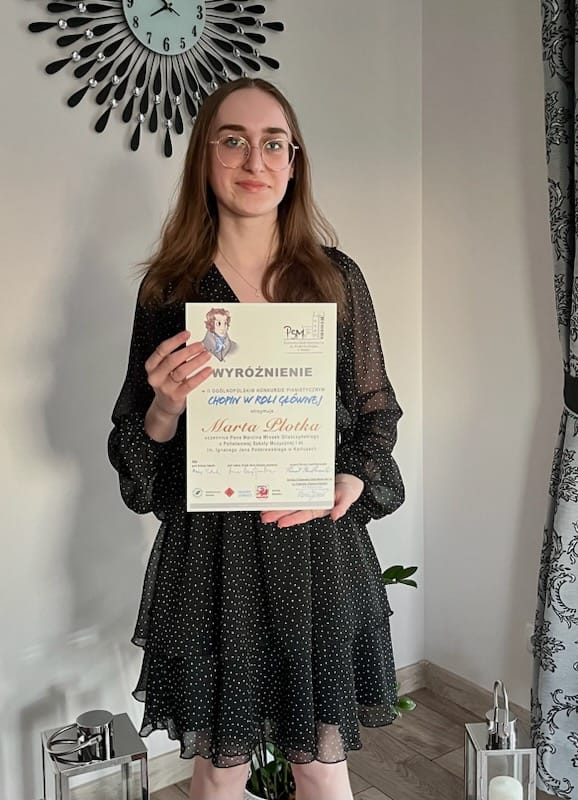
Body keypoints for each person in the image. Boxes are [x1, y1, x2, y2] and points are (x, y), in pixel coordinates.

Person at [108, 77, 405, 800]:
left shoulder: (335, 279)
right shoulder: (169, 291)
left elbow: (377, 414)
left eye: (274, 143)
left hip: (315, 545)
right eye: (233, 141)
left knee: (322, 768)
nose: (255, 161)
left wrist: (350, 478)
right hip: (213, 558)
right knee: (220, 772)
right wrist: (165, 406)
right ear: (205, 158)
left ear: (294, 162)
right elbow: (136, 450)